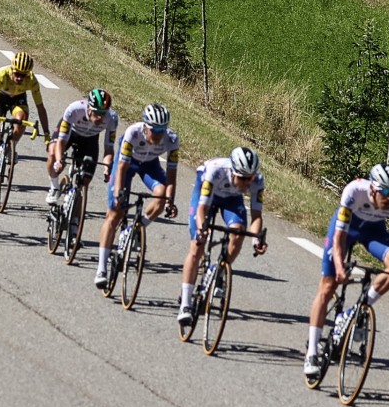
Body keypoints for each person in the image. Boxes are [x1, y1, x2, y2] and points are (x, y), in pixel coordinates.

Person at [305, 162, 389, 381]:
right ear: (372, 189)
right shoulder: (354, 191)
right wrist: (339, 267)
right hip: (346, 230)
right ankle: (312, 353)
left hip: (375, 233)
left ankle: (354, 312)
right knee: (327, 287)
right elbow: (338, 238)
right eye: (385, 191)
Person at [178, 146, 268, 330]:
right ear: (233, 171)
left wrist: (256, 240)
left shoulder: (257, 181)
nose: (246, 183)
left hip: (232, 200)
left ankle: (219, 270)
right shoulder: (215, 171)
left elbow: (256, 216)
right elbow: (202, 209)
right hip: (207, 196)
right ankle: (185, 303)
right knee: (197, 246)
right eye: (242, 178)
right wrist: (202, 229)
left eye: (249, 178)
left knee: (239, 231)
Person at [94, 104, 179, 289]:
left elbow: (171, 175)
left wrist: (170, 201)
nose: (158, 134)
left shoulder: (172, 140)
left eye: (162, 130)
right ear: (145, 127)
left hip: (150, 166)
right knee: (115, 213)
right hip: (128, 163)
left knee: (162, 195)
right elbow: (122, 168)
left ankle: (134, 229)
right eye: (155, 130)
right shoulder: (133, 133)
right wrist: (117, 193)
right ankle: (101, 268)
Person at [0, 52, 47, 193]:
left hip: (18, 99)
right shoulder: (2, 74)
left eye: (24, 75)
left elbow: (40, 107)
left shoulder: (32, 80)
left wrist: (47, 134)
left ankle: (11, 145)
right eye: (17, 74)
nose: (20, 78)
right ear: (12, 69)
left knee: (22, 119)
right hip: (0, 99)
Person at [47, 87, 117, 208]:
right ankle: (54, 187)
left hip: (90, 138)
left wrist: (107, 168)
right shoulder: (74, 110)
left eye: (103, 113)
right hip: (71, 133)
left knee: (86, 179)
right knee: (53, 153)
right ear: (89, 109)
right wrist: (59, 160)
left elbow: (109, 148)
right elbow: (62, 140)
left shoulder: (112, 118)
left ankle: (74, 219)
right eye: (97, 113)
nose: (100, 118)